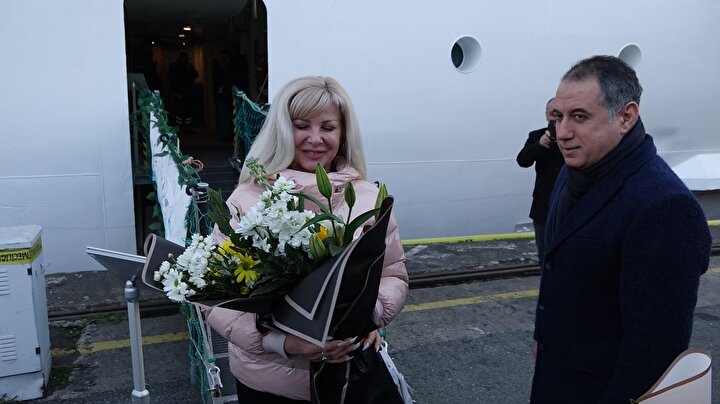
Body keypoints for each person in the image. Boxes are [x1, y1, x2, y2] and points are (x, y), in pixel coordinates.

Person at [204, 76, 409, 403]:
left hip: (347, 376)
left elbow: (392, 275)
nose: (315, 139)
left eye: (328, 127)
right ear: (283, 131)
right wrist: (283, 343)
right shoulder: (247, 199)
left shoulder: (368, 199)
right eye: (301, 126)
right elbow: (214, 297)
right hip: (268, 385)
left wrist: (368, 314)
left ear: (343, 135)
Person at [530, 55, 712, 403]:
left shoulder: (664, 207)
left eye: (579, 116)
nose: (562, 133)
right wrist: (545, 338)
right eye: (558, 117)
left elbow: (653, 351)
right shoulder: (573, 171)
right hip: (556, 378)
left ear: (626, 117)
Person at [516, 98, 565, 261]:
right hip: (543, 205)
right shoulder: (537, 136)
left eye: (560, 115)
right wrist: (539, 144)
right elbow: (522, 161)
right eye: (553, 114)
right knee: (544, 252)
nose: (556, 118)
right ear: (546, 115)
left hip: (570, 202)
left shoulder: (576, 135)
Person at [168, 52, 198, 127]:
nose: (184, 60)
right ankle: (179, 127)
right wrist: (175, 92)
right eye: (183, 58)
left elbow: (196, 74)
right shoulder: (175, 67)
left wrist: (190, 68)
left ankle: (187, 128)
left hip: (188, 93)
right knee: (179, 112)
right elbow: (172, 80)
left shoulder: (188, 66)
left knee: (187, 112)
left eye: (185, 58)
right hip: (179, 92)